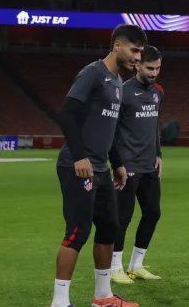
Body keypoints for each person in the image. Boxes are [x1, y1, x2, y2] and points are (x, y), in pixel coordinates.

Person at [51, 24, 148, 307]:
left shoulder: (118, 82)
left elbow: (110, 130)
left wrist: (117, 163)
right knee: (77, 231)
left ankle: (103, 297)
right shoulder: (93, 73)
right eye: (134, 50)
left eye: (140, 52)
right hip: (77, 165)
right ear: (117, 46)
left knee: (109, 227)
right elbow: (67, 114)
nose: (138, 58)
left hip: (101, 169)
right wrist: (80, 156)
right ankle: (59, 302)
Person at [109, 46, 166, 286]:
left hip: (149, 164)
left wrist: (159, 154)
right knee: (123, 217)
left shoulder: (158, 92)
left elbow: (153, 127)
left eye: (158, 68)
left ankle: (136, 265)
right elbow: (111, 130)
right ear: (138, 65)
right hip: (128, 165)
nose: (154, 73)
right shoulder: (122, 92)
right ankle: (114, 268)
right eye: (149, 68)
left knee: (153, 213)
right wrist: (117, 163)